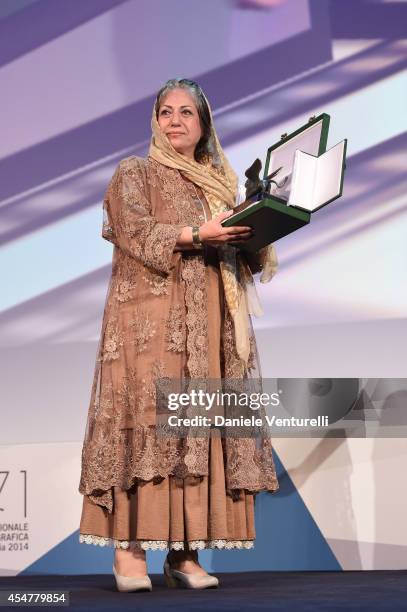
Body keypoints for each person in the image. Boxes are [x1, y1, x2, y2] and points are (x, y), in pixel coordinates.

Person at [78, 78, 279, 591]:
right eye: (165, 111)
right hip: (149, 323)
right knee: (149, 424)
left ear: (204, 125)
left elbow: (246, 256)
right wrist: (198, 234)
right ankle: (130, 553)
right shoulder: (135, 172)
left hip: (207, 323)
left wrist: (258, 227)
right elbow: (136, 233)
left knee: (195, 428)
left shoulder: (220, 185)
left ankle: (184, 554)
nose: (174, 120)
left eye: (186, 112)